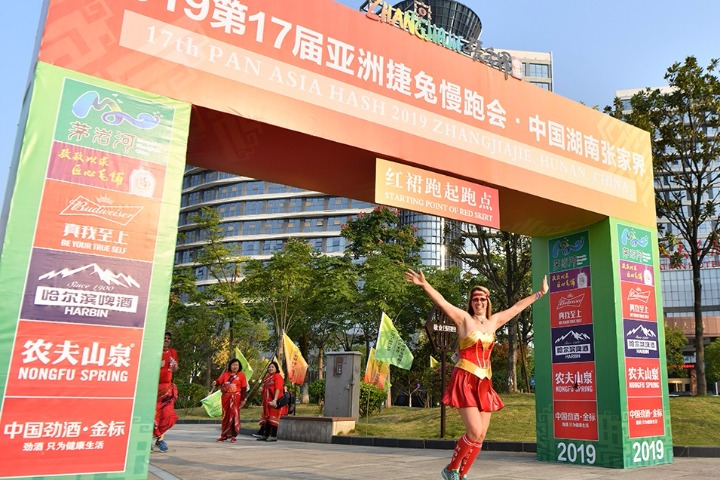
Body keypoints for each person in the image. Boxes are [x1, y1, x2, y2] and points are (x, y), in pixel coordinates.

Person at [405, 269, 549, 480]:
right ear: (471, 302)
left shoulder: (494, 322)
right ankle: (451, 468)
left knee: (480, 435)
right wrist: (425, 285)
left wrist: (540, 294)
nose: (478, 302)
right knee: (474, 431)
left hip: (485, 382)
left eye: (482, 299)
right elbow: (443, 302)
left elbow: (517, 307)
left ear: (487, 301)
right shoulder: (464, 319)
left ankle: (462, 475)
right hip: (465, 378)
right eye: (475, 299)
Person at [153, 331, 179, 453]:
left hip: (167, 388)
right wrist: (158, 364)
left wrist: (175, 367)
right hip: (153, 387)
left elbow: (176, 368)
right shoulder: (154, 351)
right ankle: (149, 441)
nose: (166, 340)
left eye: (169, 338)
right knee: (154, 415)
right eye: (164, 337)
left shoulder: (173, 352)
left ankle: (160, 439)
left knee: (167, 415)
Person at [211, 358, 248, 443]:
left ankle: (234, 436)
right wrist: (215, 382)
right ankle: (224, 435)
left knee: (234, 416)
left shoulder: (241, 375)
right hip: (226, 399)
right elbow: (219, 381)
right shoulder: (225, 374)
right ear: (230, 366)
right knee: (225, 416)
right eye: (233, 365)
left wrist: (243, 399)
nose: (235, 367)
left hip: (236, 398)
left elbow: (244, 388)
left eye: (236, 365)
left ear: (239, 366)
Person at [254, 361, 284, 442]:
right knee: (267, 418)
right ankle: (266, 435)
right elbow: (265, 387)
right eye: (269, 367)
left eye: (272, 367)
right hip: (266, 402)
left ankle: (274, 435)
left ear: (276, 368)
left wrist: (275, 400)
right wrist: (261, 389)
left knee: (273, 418)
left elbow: (278, 388)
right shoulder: (267, 377)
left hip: (273, 401)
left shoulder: (278, 377)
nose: (270, 368)